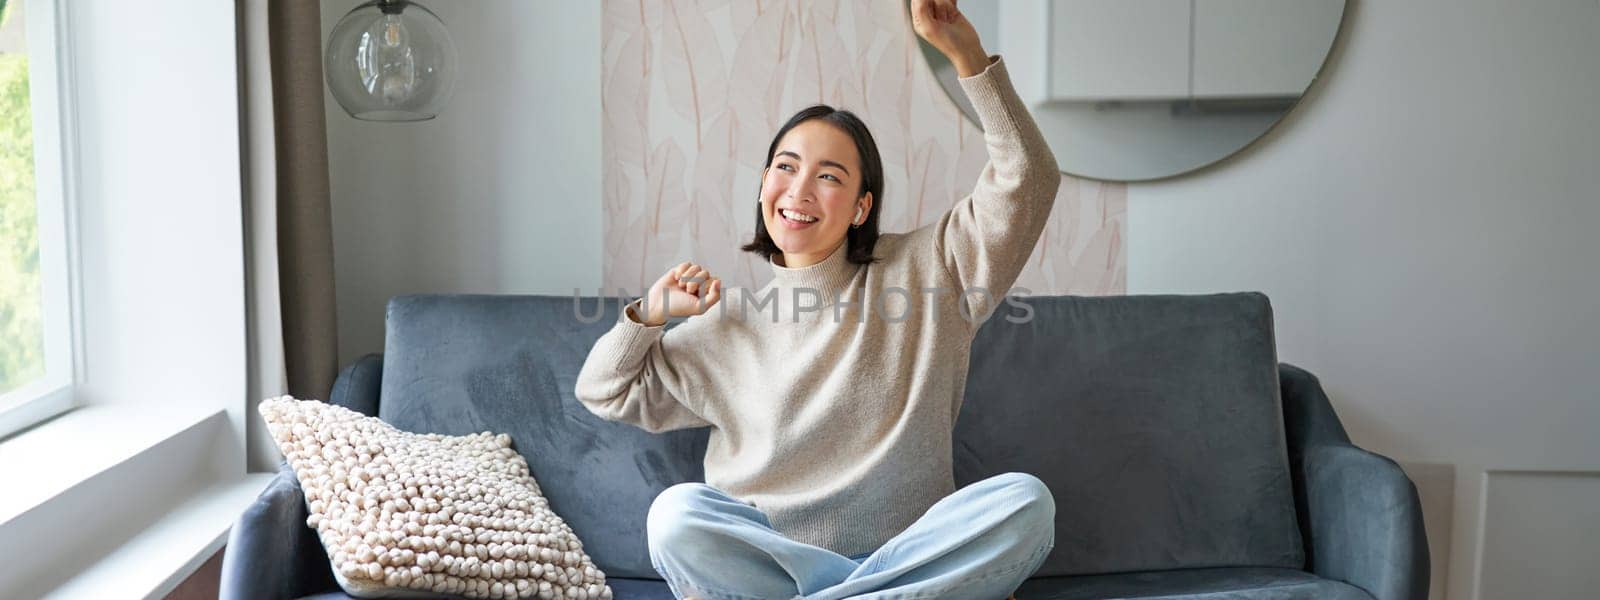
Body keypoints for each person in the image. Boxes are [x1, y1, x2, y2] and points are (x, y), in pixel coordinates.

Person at [574, 0, 1062, 597]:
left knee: (1024, 504)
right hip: (777, 567)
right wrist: (649, 317)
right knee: (676, 516)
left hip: (906, 553)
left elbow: (1030, 176)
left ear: (862, 206)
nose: (800, 189)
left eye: (830, 176)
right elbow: (604, 391)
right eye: (786, 166)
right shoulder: (726, 327)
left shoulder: (935, 269)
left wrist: (967, 56)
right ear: (763, 189)